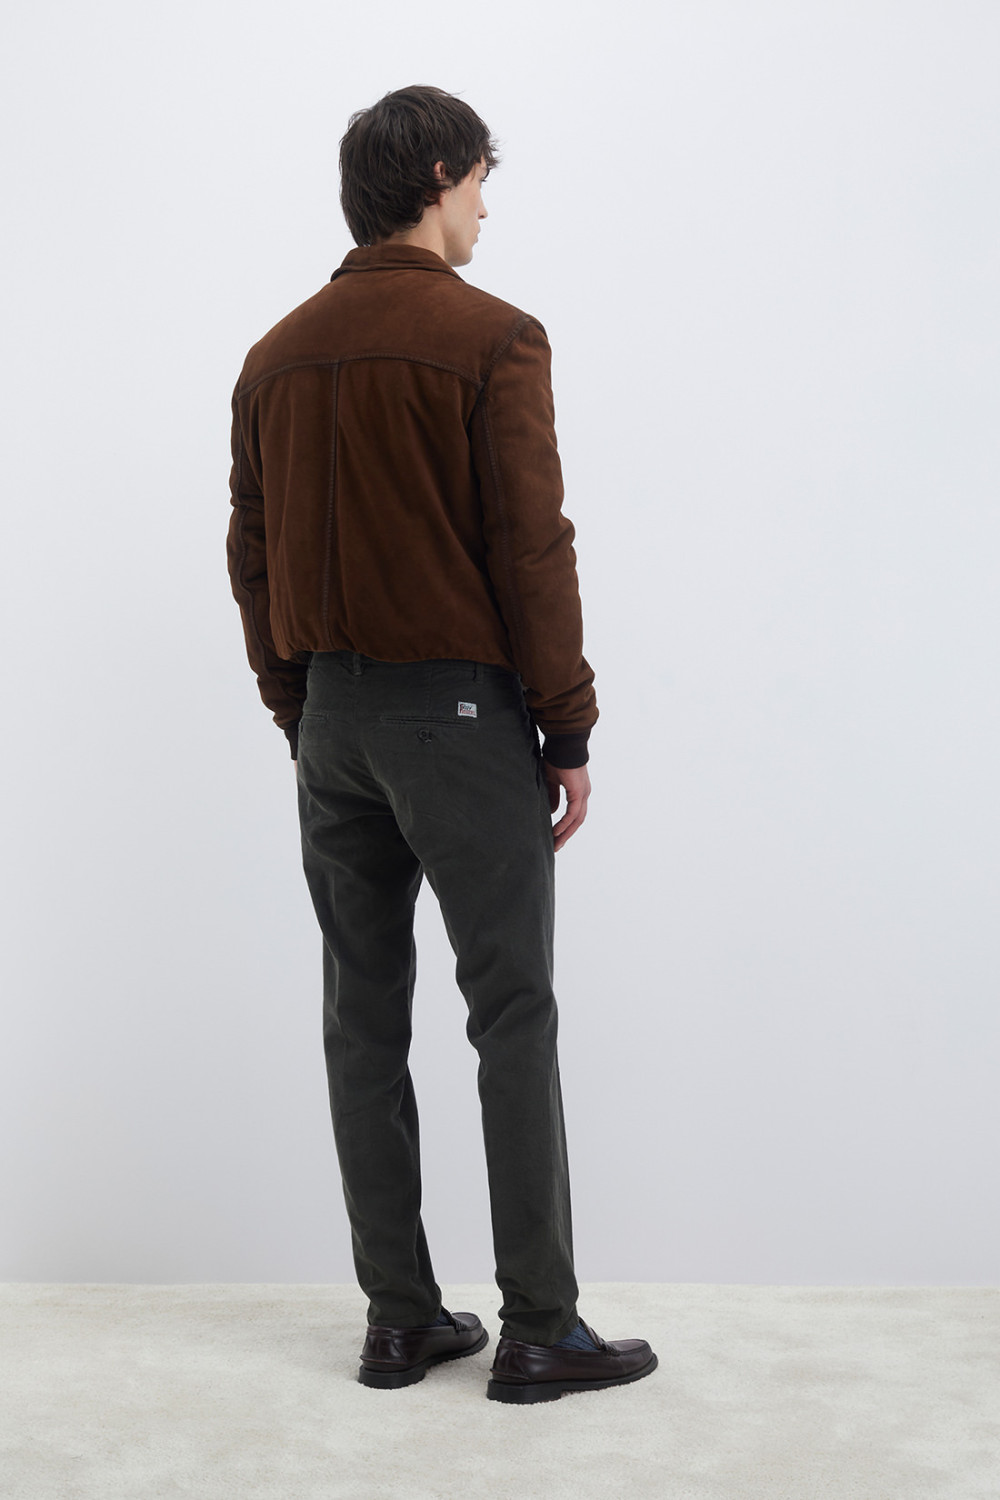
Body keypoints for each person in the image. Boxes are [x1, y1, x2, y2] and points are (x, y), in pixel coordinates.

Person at [226, 83, 656, 1404]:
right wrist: (567, 721)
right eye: (478, 181)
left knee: (361, 1016)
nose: (484, 207)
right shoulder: (492, 338)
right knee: (510, 1011)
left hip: (333, 724)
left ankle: (400, 1321)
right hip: (459, 721)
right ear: (435, 180)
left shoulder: (273, 356)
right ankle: (540, 1329)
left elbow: (251, 555)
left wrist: (299, 708)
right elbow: (533, 547)